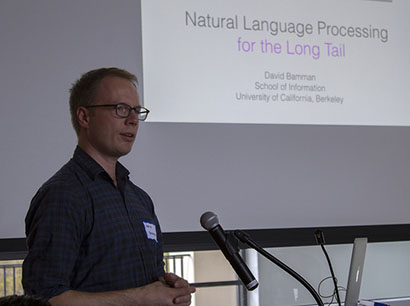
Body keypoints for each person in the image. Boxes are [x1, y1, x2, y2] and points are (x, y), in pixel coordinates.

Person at [22, 67, 195, 306]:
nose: (133, 120)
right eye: (120, 109)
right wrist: (140, 298)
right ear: (84, 117)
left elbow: (149, 281)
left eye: (136, 111)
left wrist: (169, 289)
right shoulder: (63, 195)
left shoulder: (139, 199)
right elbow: (45, 299)